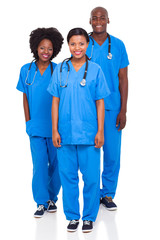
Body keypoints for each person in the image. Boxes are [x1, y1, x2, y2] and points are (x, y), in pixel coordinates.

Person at [47, 28, 110, 233]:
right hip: (65, 134)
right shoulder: (61, 69)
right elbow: (55, 102)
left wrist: (100, 131)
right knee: (68, 177)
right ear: (68, 45)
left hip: (89, 134)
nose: (77, 48)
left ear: (87, 45)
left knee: (91, 177)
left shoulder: (95, 69)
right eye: (73, 44)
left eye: (81, 43)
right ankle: (73, 216)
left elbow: (100, 103)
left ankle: (89, 217)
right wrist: (55, 130)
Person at [16, 27, 64, 218]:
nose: (46, 52)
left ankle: (52, 197)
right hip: (35, 127)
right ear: (35, 47)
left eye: (50, 49)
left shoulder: (59, 70)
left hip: (56, 128)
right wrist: (28, 121)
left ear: (55, 50)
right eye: (42, 48)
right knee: (39, 165)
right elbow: (25, 98)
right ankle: (41, 202)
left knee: (57, 164)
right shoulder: (26, 70)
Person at [86, 7, 129, 210]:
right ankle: (93, 195)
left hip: (112, 108)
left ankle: (108, 194)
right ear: (90, 21)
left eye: (102, 17)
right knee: (91, 154)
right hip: (88, 108)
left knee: (112, 154)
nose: (98, 21)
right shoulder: (83, 44)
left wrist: (123, 110)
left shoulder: (118, 45)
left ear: (108, 20)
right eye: (95, 18)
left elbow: (123, 79)